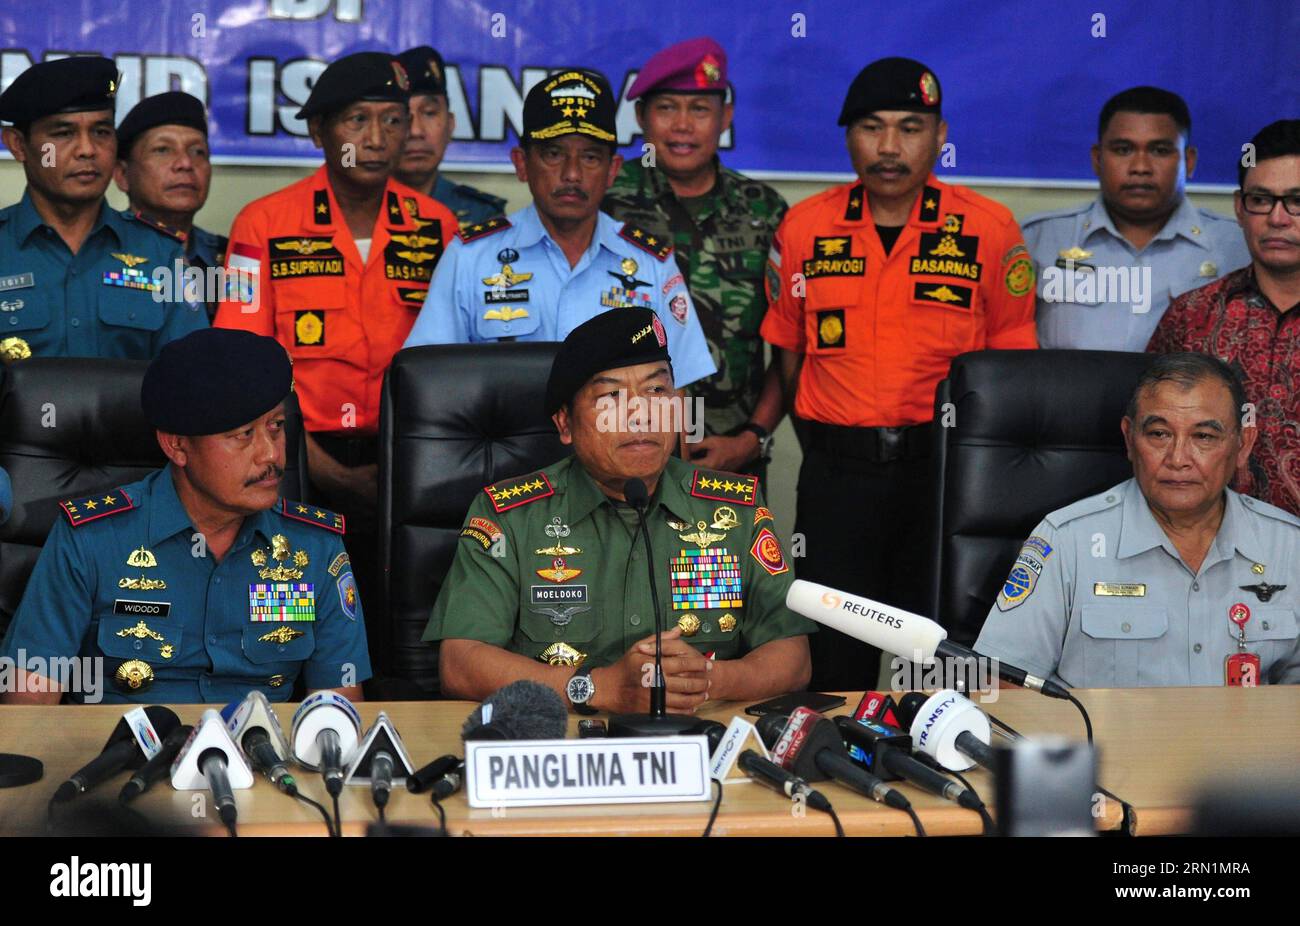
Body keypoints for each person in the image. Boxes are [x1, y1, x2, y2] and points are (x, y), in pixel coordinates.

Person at [760, 57, 1038, 691]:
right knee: (831, 656)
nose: (889, 147)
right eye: (871, 127)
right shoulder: (805, 227)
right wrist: (828, 441)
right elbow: (788, 347)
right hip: (836, 479)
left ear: (941, 136)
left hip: (944, 477)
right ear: (848, 136)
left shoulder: (988, 230)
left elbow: (1010, 368)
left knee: (938, 653)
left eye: (910, 127)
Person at [424, 308, 813, 712]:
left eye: (657, 392)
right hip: (563, 752)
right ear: (565, 424)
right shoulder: (508, 515)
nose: (639, 413)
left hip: (697, 743)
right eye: (611, 397)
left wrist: (708, 680)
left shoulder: (736, 509)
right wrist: (598, 688)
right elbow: (460, 663)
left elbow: (792, 656)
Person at [213, 51, 459, 620]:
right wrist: (331, 472)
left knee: (406, 622)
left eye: (393, 120)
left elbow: (448, 370)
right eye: (358, 120)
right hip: (293, 462)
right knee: (295, 618)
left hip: (413, 464)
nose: (377, 138)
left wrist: (403, 469)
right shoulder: (263, 224)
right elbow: (244, 366)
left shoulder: (437, 226)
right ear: (319, 130)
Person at [0, 328, 371, 704]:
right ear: (177, 445)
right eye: (243, 435)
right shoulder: (90, 539)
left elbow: (337, 714)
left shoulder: (315, 546)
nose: (270, 455)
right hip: (127, 756)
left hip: (260, 756)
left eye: (275, 427)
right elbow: (30, 707)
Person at [977, 352, 1300, 687]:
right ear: (1130, 438)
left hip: (1248, 741)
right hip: (1105, 740)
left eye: (1204, 437)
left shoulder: (1289, 546)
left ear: (1242, 444)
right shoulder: (1066, 541)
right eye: (1159, 434)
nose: (1178, 459)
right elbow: (997, 685)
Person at [401, 68, 716, 392]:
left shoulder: (652, 264)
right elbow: (427, 381)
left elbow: (676, 393)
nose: (572, 174)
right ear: (521, 163)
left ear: (613, 171)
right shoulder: (470, 258)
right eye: (553, 154)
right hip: (499, 443)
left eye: (591, 157)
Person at [603, 38, 787, 477]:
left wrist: (752, 438)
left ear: (725, 117)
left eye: (700, 110)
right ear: (641, 118)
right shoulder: (604, 201)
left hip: (731, 457)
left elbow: (789, 347)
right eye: (667, 108)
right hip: (618, 451)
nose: (683, 126)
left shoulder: (765, 211)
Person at [0, 56, 205, 362]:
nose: (87, 150)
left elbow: (191, 378)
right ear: (18, 145)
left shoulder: (162, 254)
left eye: (101, 131)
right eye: (63, 133)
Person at [1148, 120, 1300, 517]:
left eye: (1297, 200)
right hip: (1205, 555)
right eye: (1261, 200)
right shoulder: (1190, 316)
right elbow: (1149, 442)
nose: (1278, 218)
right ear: (1239, 207)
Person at [1024, 87, 1249, 350]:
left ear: (1188, 161)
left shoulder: (1237, 247)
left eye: (1160, 150)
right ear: (1098, 159)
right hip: (1062, 392)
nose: (1140, 167)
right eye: (1123, 150)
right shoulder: (1038, 239)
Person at [113, 91, 229, 321]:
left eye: (198, 152)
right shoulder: (98, 253)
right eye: (163, 150)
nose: (185, 163)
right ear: (123, 175)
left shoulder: (229, 258)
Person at [393, 45, 507, 228]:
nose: (415, 131)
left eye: (429, 113)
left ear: (451, 125)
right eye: (402, 116)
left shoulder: (482, 214)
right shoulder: (358, 210)